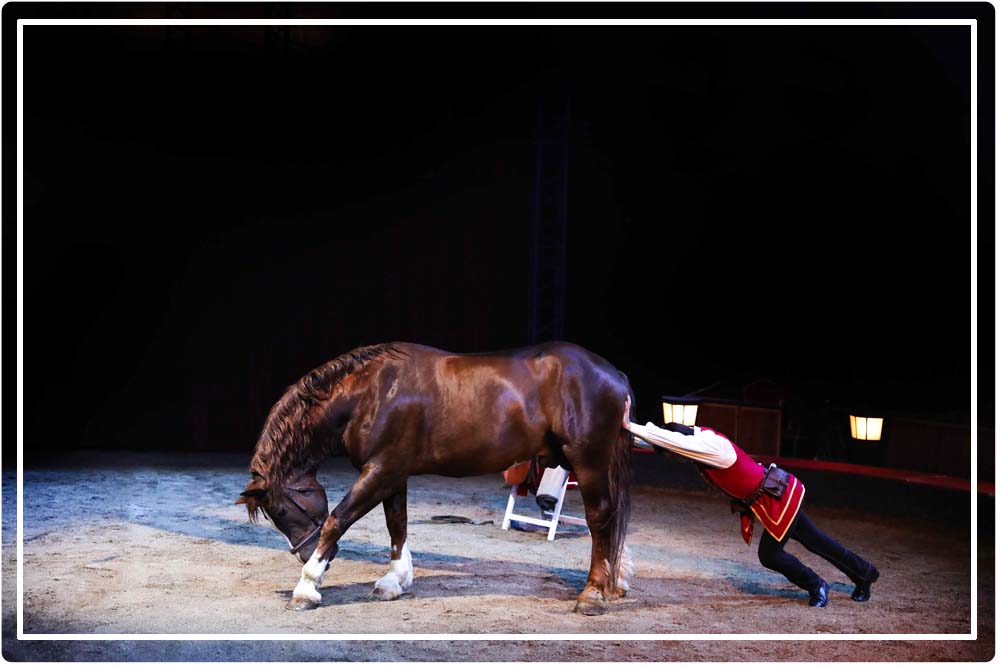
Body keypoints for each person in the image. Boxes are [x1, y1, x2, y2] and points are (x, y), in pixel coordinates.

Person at [622, 396, 879, 607]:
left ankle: (816, 584)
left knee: (770, 555)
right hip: (768, 499)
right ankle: (864, 573)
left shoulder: (710, 448)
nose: (678, 460)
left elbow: (671, 442)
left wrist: (631, 425)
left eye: (675, 455)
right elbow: (664, 442)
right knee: (815, 540)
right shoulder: (698, 438)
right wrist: (625, 432)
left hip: (776, 497)